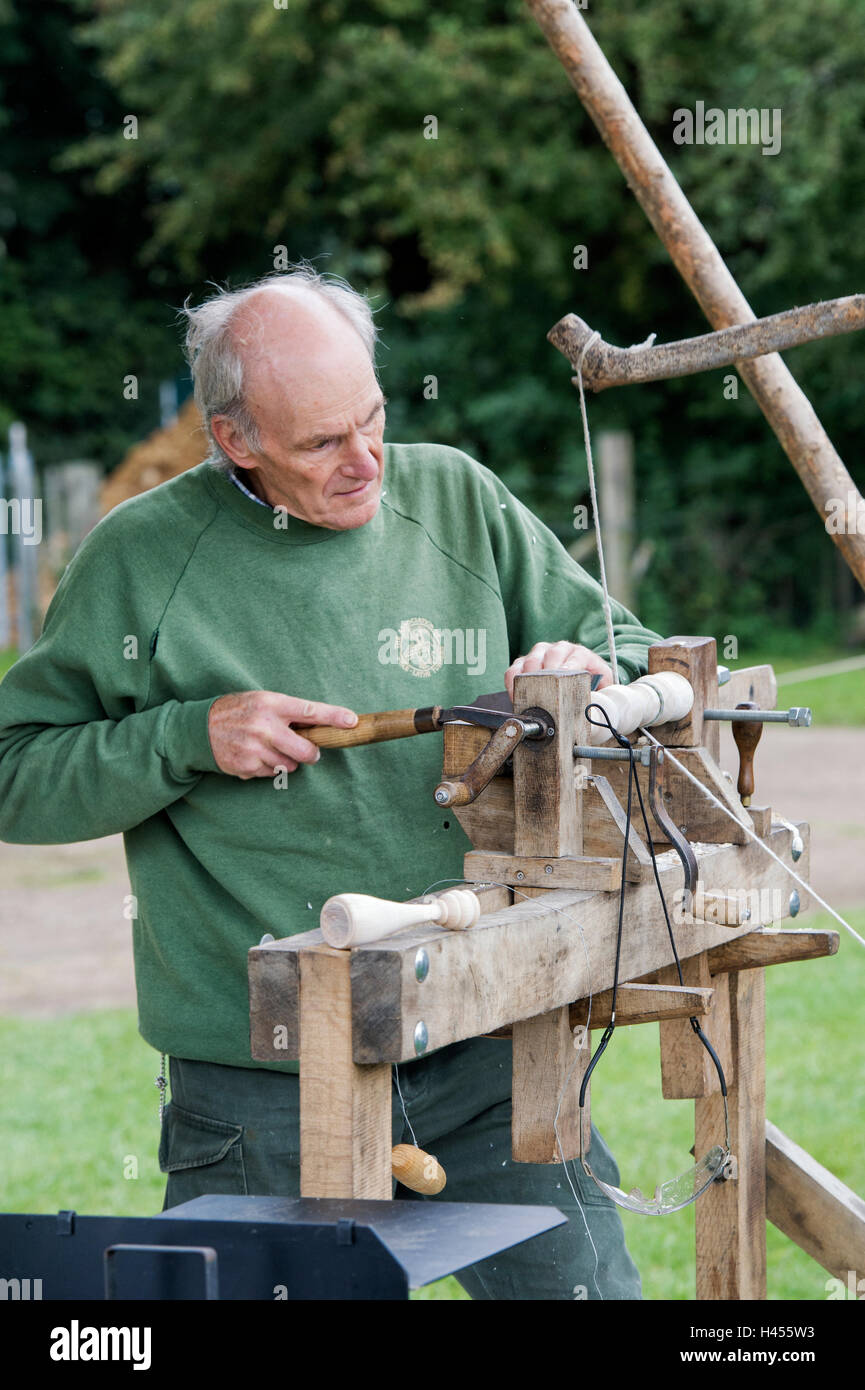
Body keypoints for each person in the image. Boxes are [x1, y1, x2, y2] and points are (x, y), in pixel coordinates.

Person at [0, 267, 662, 1300]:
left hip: (491, 1035)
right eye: (320, 443)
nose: (366, 464)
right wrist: (186, 736)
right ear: (235, 441)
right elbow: (16, 772)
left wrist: (592, 675)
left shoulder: (453, 494)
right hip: (264, 1084)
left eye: (374, 420)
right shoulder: (139, 560)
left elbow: (625, 643)